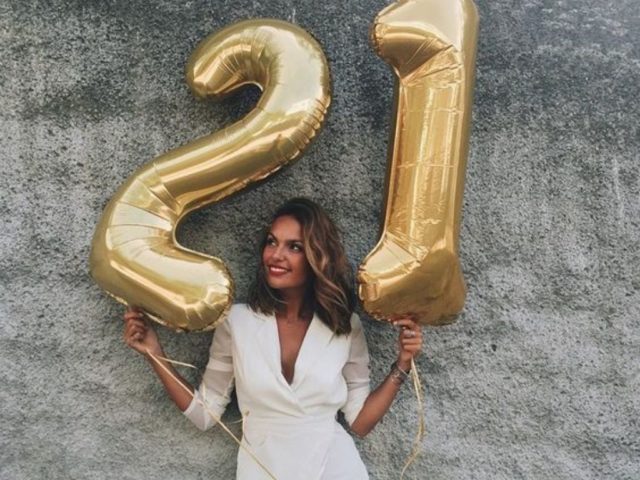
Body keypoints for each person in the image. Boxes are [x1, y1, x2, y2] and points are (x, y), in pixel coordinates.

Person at [123, 197, 423, 480]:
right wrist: (154, 353)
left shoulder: (344, 326)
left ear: (317, 257)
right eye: (271, 242)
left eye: (294, 247)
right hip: (262, 470)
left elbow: (360, 422)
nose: (276, 255)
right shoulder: (237, 322)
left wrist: (403, 363)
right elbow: (204, 414)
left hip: (334, 468)